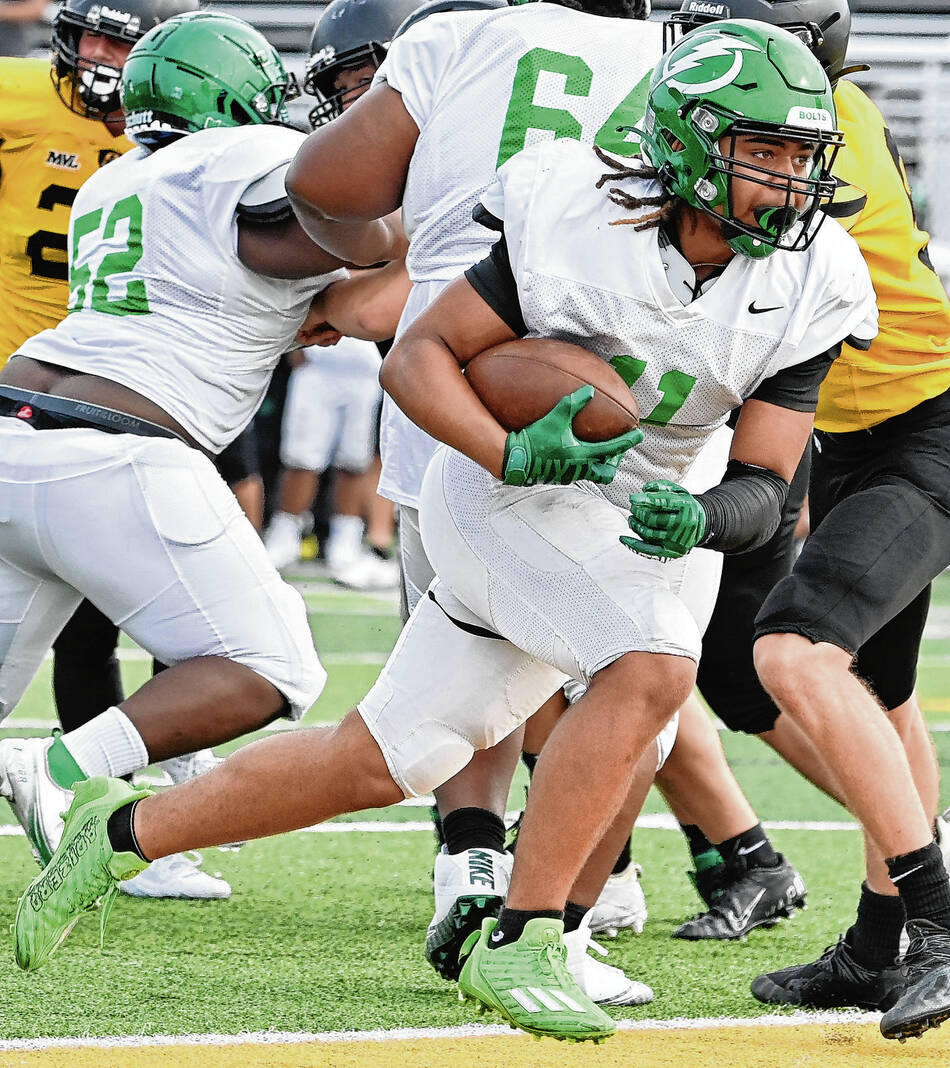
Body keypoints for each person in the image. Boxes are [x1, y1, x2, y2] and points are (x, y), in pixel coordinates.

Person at [15, 21, 885, 1044]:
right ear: (690, 145)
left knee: (383, 757)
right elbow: (417, 360)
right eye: (766, 154)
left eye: (799, 156)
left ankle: (116, 833)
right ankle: (526, 936)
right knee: (647, 670)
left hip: (640, 517)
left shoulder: (814, 274)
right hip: (504, 493)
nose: (791, 183)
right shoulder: (577, 214)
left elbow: (763, 488)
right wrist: (507, 451)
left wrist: (699, 514)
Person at [299, 0, 667, 989]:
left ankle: (468, 863)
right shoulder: (684, 53)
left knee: (463, 653)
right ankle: (579, 905)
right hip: (625, 392)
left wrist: (382, 249)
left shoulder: (455, 34)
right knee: (633, 680)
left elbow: (322, 182)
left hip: (448, 381)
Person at [0, 8, 403, 892]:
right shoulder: (238, 158)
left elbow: (245, 289)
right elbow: (364, 264)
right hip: (118, 452)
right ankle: (68, 775)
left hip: (14, 428)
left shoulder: (116, 182)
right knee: (271, 668)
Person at [661, 0, 950, 1031]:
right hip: (861, 431)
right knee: (879, 691)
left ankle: (938, 918)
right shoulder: (811, 117)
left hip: (925, 425)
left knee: (789, 650)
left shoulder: (804, 140)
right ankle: (881, 943)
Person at [0, 0, 236, 900]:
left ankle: (113, 811)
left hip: (148, 398)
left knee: (133, 613)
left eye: (124, 41)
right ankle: (108, 817)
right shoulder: (21, 97)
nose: (103, 58)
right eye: (92, 36)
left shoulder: (201, 142)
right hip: (31, 392)